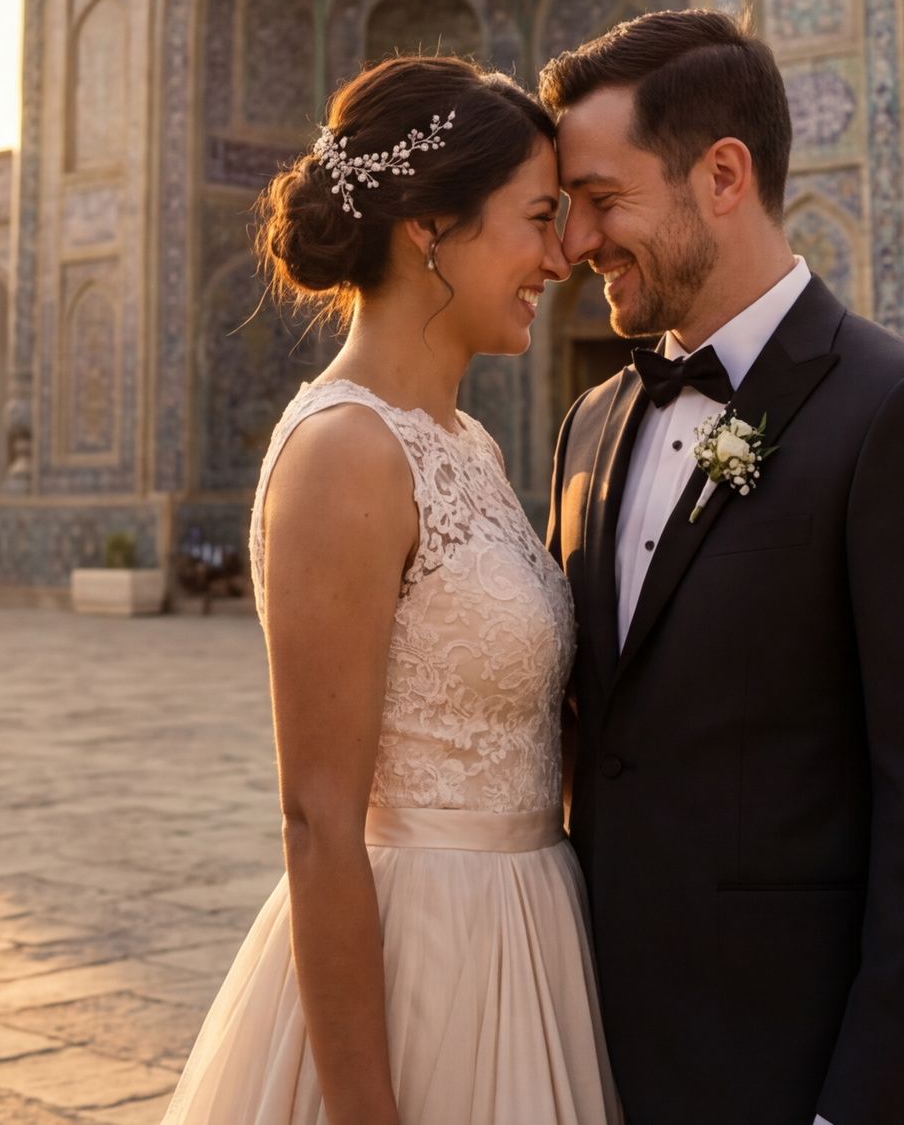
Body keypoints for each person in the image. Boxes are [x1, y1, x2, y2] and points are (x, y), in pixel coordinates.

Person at [542, 10, 904, 1125]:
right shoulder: (591, 425)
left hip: (802, 1070)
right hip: (602, 1055)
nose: (577, 244)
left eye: (604, 200)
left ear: (722, 175)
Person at [162, 54, 621, 1125]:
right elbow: (320, 820)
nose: (560, 260)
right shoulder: (345, 453)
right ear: (428, 227)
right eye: (538, 218)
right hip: (426, 958)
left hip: (529, 937)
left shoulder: (473, 446)